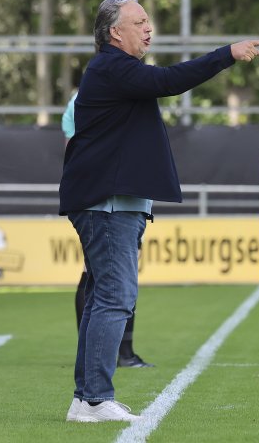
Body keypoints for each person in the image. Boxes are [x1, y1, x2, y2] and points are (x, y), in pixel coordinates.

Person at [59, 0, 259, 423]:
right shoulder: (112, 67)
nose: (148, 28)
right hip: (108, 206)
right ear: (115, 32)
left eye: (147, 21)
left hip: (114, 204)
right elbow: (170, 81)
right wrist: (226, 53)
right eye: (139, 22)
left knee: (104, 297)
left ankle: (86, 399)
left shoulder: (115, 70)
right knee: (115, 297)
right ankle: (94, 399)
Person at [61, 91, 154, 368]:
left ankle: (100, 356)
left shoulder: (82, 99)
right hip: (110, 203)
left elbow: (71, 151)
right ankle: (115, 357)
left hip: (104, 200)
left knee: (100, 279)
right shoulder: (110, 95)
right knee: (113, 284)